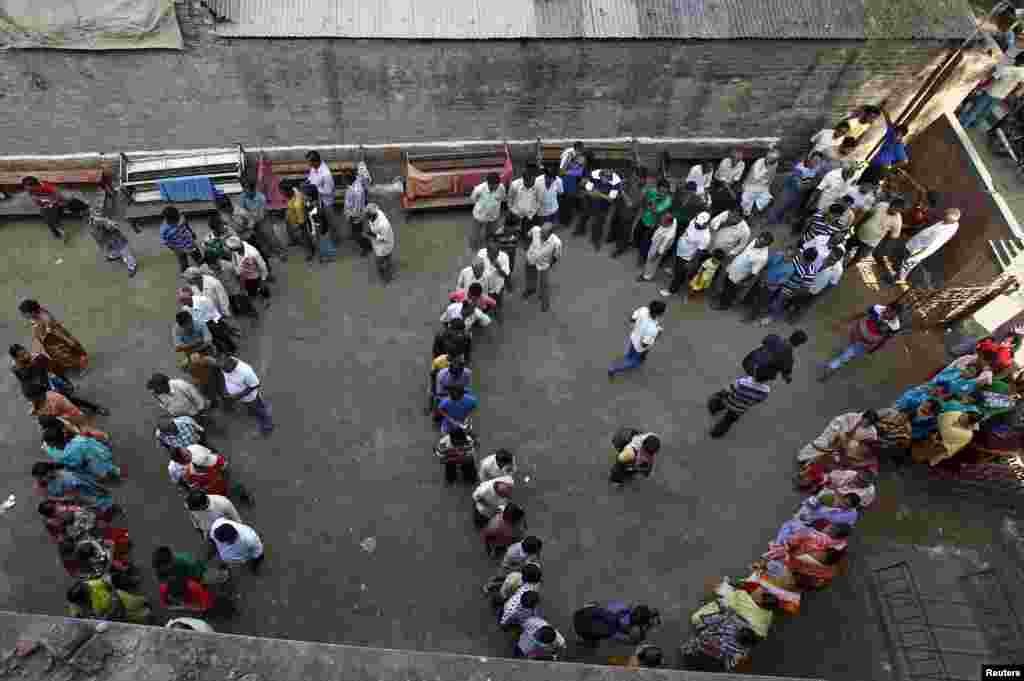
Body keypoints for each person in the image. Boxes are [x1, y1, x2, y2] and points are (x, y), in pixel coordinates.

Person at [9, 344, 106, 415]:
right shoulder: (16, 369)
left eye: (25, 352)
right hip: (37, 393)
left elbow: (54, 369)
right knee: (54, 410)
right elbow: (26, 380)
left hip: (48, 386)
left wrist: (65, 382)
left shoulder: (38, 358)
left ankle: (95, 408)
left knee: (69, 398)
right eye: (22, 355)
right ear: (16, 359)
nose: (26, 355)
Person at [820, 303, 903, 380]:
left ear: (895, 315)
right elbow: (862, 314)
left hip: (864, 342)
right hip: (857, 330)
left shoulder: (895, 327)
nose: (887, 314)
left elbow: (884, 339)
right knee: (847, 348)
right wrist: (846, 321)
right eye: (887, 310)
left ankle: (831, 367)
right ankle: (839, 359)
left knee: (847, 355)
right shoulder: (876, 308)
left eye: (891, 313)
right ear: (886, 307)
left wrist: (873, 349)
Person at [891, 208, 961, 284]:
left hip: (919, 248)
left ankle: (900, 279)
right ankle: (899, 274)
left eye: (945, 217)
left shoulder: (943, 233)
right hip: (917, 242)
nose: (943, 217)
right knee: (905, 259)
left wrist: (917, 255)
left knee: (907, 263)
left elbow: (932, 246)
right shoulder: (953, 223)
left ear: (950, 220)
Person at [19, 300, 89, 376]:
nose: (23, 315)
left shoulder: (46, 319)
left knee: (67, 355)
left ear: (31, 312)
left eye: (24, 313)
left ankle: (83, 366)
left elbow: (58, 332)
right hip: (50, 343)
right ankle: (70, 365)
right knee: (58, 356)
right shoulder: (35, 315)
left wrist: (70, 342)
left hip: (56, 341)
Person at [960, 52, 1024, 128]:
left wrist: (982, 86)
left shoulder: (1009, 69)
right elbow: (1020, 87)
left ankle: (964, 124)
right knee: (985, 112)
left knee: (976, 108)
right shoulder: (1021, 72)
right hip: (1001, 95)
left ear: (1018, 61)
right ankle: (974, 126)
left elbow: (994, 78)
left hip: (992, 91)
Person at [707, 367, 774, 438]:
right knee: (727, 422)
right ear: (768, 379)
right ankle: (716, 433)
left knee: (717, 402)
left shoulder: (742, 382)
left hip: (729, 401)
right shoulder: (766, 391)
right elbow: (758, 401)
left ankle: (713, 409)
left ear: (755, 373)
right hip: (739, 409)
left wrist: (718, 395)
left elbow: (727, 390)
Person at [714, 232, 773, 310]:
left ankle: (724, 305)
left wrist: (743, 281)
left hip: (739, 276)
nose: (758, 242)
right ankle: (722, 297)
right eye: (759, 239)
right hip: (733, 267)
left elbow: (754, 272)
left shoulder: (763, 257)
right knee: (726, 284)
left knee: (730, 290)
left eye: (762, 242)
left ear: (766, 245)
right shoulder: (754, 241)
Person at [661, 211, 712, 300]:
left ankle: (672, 290)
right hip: (680, 249)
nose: (697, 225)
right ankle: (674, 271)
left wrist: (691, 263)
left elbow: (699, 253)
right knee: (677, 267)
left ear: (707, 224)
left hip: (687, 257)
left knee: (679, 274)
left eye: (700, 225)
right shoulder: (694, 221)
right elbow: (687, 230)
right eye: (697, 222)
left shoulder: (706, 237)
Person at [608, 301, 666, 378]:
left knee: (630, 353)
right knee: (633, 362)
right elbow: (644, 344)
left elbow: (632, 319)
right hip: (639, 347)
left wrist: (638, 328)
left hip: (634, 337)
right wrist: (656, 336)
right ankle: (614, 369)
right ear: (659, 314)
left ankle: (629, 358)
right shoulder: (653, 329)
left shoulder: (643, 310)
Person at [32, 461, 115, 514]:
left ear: (49, 472)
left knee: (102, 509)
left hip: (88, 499)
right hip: (80, 500)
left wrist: (52, 498)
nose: (39, 480)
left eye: (40, 477)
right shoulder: (49, 479)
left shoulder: (67, 479)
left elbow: (73, 497)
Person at [219, 356, 273, 436]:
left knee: (260, 410)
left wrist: (239, 396)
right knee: (252, 407)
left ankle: (267, 425)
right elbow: (225, 377)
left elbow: (255, 385)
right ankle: (254, 410)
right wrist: (226, 390)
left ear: (233, 367)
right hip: (241, 398)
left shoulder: (246, 371)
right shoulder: (225, 365)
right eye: (223, 369)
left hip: (250, 398)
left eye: (226, 370)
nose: (224, 371)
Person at [42, 426, 119, 481]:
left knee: (102, 470)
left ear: (57, 441)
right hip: (81, 466)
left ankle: (112, 473)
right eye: (47, 442)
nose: (47, 444)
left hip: (89, 462)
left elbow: (93, 451)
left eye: (49, 442)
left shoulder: (79, 443)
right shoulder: (49, 448)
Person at [177, 287, 237, 356]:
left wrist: (219, 323)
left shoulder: (203, 300)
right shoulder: (185, 308)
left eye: (184, 300)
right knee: (211, 339)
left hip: (212, 321)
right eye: (181, 301)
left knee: (221, 334)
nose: (183, 302)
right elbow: (192, 320)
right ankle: (222, 351)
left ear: (190, 297)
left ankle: (232, 348)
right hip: (202, 325)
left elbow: (213, 313)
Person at [66, 577, 151, 624]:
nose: (88, 587)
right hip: (114, 615)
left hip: (122, 600)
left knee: (137, 604)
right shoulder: (76, 605)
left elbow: (108, 583)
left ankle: (145, 603)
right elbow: (77, 618)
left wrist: (115, 598)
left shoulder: (91, 585)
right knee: (137, 617)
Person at [86, 200, 137, 277]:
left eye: (98, 211)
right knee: (110, 249)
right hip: (104, 239)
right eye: (94, 211)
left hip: (115, 238)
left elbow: (114, 225)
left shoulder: (104, 220)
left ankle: (132, 266)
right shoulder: (91, 220)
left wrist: (109, 223)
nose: (95, 213)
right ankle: (115, 255)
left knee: (124, 251)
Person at [573, 603, 660, 647]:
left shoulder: (619, 614)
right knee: (595, 642)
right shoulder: (613, 631)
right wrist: (636, 640)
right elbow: (626, 640)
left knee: (599, 610)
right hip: (582, 630)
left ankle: (589, 606)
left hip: (581, 613)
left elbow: (626, 611)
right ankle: (586, 642)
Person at [847, 198, 904, 265]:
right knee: (847, 246)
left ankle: (846, 268)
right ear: (891, 204)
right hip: (860, 233)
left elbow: (893, 236)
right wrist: (857, 225)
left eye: (897, 210)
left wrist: (880, 247)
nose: (894, 210)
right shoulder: (881, 205)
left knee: (857, 258)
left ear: (900, 211)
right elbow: (868, 214)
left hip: (871, 243)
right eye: (894, 207)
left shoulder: (898, 221)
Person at [861, 108, 909, 186]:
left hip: (881, 169)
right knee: (861, 183)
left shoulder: (899, 147)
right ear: (895, 131)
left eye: (899, 135)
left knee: (867, 187)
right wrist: (883, 109)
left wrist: (890, 167)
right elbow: (888, 121)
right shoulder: (891, 135)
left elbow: (905, 161)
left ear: (902, 136)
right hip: (873, 164)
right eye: (896, 133)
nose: (897, 136)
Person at [634, 179, 674, 268]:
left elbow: (655, 212)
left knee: (646, 242)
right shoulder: (652, 191)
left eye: (665, 191)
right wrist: (646, 198)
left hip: (653, 224)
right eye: (660, 190)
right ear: (657, 188)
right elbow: (644, 201)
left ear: (668, 191)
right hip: (644, 219)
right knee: (637, 234)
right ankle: (638, 248)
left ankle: (642, 258)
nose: (662, 193)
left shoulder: (668, 201)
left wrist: (654, 201)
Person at [523, 222, 562, 312]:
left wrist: (549, 265)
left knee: (544, 284)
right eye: (541, 231)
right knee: (530, 276)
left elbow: (556, 256)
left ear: (550, 234)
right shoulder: (536, 229)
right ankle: (530, 289)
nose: (540, 234)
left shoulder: (557, 243)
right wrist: (527, 248)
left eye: (543, 233)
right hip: (531, 259)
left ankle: (545, 303)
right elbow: (528, 236)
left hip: (544, 265)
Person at [743, 331, 807, 384]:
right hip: (759, 375)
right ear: (798, 344)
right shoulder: (789, 358)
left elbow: (764, 341)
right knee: (773, 371)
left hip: (747, 362)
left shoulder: (774, 337)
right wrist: (788, 379)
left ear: (792, 335)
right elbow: (786, 375)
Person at [581, 167, 623, 249]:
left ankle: (597, 242)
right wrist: (591, 193)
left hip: (604, 208)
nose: (604, 180)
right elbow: (587, 191)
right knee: (593, 222)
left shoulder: (615, 184)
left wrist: (599, 194)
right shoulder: (596, 179)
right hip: (593, 204)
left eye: (607, 178)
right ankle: (593, 238)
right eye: (603, 178)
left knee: (599, 224)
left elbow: (611, 199)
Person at [225, 235, 270, 308]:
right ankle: (257, 296)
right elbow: (235, 260)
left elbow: (262, 266)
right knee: (252, 289)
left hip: (255, 275)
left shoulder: (252, 253)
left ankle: (265, 298)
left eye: (233, 250)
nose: (232, 251)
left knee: (261, 287)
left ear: (237, 248)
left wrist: (263, 279)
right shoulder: (235, 251)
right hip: (245, 276)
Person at [159, 207, 203, 272]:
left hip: (190, 243)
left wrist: (191, 232)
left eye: (178, 218)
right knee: (184, 263)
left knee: (198, 257)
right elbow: (167, 243)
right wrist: (177, 250)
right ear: (167, 220)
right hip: (179, 248)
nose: (177, 222)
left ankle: (202, 266)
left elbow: (186, 224)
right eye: (175, 221)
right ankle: (186, 273)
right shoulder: (164, 229)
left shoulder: (181, 218)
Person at [637, 212, 676, 283]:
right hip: (656, 243)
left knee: (652, 262)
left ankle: (647, 276)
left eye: (663, 221)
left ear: (668, 223)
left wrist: (654, 257)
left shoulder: (668, 236)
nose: (660, 222)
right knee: (650, 261)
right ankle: (647, 270)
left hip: (657, 248)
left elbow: (661, 250)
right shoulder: (672, 222)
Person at [471, 173, 506, 250]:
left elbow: (502, 198)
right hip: (479, 216)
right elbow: (473, 199)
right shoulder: (479, 189)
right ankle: (474, 248)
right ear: (488, 183)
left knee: (491, 234)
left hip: (493, 216)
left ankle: (489, 248)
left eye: (497, 185)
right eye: (494, 186)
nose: (496, 188)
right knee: (475, 234)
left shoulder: (501, 187)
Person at [740, 151, 780, 218]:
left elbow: (771, 176)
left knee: (768, 199)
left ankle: (751, 213)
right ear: (766, 156)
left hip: (762, 186)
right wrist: (744, 185)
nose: (769, 160)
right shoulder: (759, 163)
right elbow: (753, 176)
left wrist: (768, 186)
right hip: (751, 184)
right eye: (768, 157)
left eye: (772, 159)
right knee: (746, 202)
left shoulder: (775, 164)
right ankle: (746, 215)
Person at [305, 151, 336, 237]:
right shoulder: (314, 167)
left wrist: (315, 188)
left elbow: (329, 191)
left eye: (309, 162)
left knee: (330, 220)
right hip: (318, 199)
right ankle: (324, 230)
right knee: (321, 216)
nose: (308, 164)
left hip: (326, 202)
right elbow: (311, 177)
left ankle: (335, 237)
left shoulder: (326, 174)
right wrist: (308, 182)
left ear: (315, 162)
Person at [507, 167, 540, 240]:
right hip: (516, 214)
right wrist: (513, 211)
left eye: (534, 181)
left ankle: (525, 240)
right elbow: (509, 199)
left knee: (528, 232)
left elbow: (538, 201)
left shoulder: (537, 185)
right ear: (524, 180)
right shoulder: (514, 185)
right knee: (514, 232)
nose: (533, 184)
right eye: (530, 182)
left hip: (529, 215)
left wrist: (532, 214)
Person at [478, 241, 512, 310]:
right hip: (484, 286)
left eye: (495, 255)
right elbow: (475, 267)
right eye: (491, 255)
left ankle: (497, 311)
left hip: (497, 287)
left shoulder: (504, 257)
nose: (493, 258)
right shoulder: (481, 253)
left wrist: (498, 268)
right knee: (485, 302)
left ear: (498, 252)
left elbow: (506, 275)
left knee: (498, 302)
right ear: (487, 252)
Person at [365, 203, 395, 283]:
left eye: (368, 216)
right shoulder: (375, 213)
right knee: (386, 259)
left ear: (372, 215)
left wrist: (373, 235)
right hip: (379, 244)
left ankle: (386, 277)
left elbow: (384, 239)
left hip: (384, 246)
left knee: (380, 261)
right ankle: (387, 268)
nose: (367, 218)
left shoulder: (383, 224)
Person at [344, 172, 371, 256]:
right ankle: (366, 243)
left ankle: (366, 247)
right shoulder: (356, 183)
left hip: (356, 215)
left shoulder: (356, 191)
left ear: (349, 180)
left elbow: (357, 207)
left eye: (344, 179)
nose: (343, 181)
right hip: (354, 212)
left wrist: (352, 217)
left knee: (357, 235)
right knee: (357, 232)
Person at [534, 167, 563, 231]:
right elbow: (534, 196)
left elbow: (560, 193)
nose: (551, 180)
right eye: (549, 178)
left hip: (554, 210)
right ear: (545, 175)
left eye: (553, 178)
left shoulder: (558, 181)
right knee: (542, 230)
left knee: (552, 229)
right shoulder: (537, 181)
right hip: (542, 212)